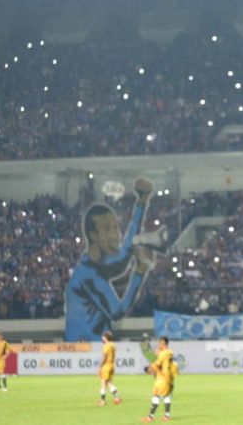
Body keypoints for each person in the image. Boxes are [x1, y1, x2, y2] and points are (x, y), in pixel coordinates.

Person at [66, 178, 157, 342]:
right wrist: (139, 270)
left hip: (99, 344)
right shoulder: (87, 275)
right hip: (84, 347)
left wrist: (141, 201)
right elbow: (118, 311)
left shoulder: (96, 264)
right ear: (93, 235)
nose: (116, 235)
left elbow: (124, 255)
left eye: (115, 227)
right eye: (108, 229)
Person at [144, 337, 176, 422]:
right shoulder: (170, 352)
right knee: (166, 396)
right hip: (169, 377)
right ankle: (167, 416)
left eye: (160, 343)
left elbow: (157, 364)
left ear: (163, 343)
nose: (159, 345)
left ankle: (150, 417)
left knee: (156, 395)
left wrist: (149, 369)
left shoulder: (163, 353)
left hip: (162, 378)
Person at [98, 331, 121, 406]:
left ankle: (102, 401)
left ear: (105, 337)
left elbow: (104, 357)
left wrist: (100, 366)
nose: (102, 338)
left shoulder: (106, 345)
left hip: (106, 366)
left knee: (103, 383)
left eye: (103, 336)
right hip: (112, 365)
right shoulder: (113, 345)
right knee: (109, 383)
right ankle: (117, 398)